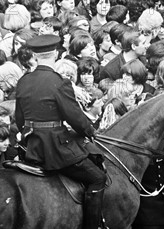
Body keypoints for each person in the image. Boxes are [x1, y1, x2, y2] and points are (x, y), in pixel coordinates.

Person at [15, 35, 106, 229]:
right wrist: (90, 130)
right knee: (98, 178)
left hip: (31, 146)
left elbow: (19, 120)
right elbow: (74, 117)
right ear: (56, 53)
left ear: (35, 56)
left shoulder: (23, 81)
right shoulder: (59, 82)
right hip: (55, 149)